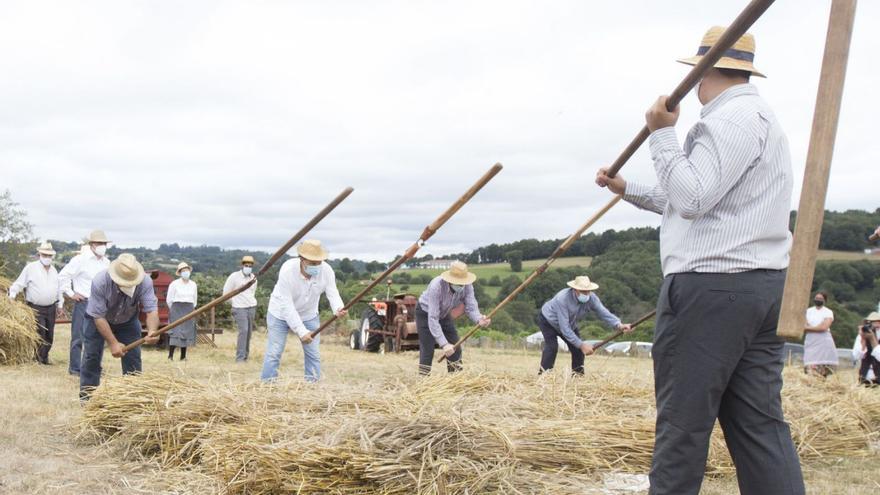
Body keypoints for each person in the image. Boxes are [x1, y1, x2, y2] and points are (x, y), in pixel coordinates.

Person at [595, 27, 804, 494]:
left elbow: (690, 197)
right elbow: (690, 196)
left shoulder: (726, 121)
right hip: (760, 287)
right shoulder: (760, 118)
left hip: (712, 288)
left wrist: (661, 134)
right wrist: (626, 189)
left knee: (683, 426)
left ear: (703, 72)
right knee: (759, 426)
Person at [260, 240, 346, 382]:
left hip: (309, 315)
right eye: (312, 263)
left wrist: (338, 308)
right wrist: (301, 331)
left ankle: (312, 387)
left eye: (319, 262)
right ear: (301, 259)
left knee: (313, 354)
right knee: (274, 352)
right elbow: (286, 305)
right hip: (280, 314)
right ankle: (267, 386)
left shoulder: (327, 271)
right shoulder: (287, 270)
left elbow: (332, 293)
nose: (316, 266)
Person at [80, 254, 159, 400]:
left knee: (133, 358)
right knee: (91, 357)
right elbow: (98, 317)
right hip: (98, 320)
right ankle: (87, 399)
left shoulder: (145, 282)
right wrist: (113, 343)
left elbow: (151, 309)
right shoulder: (101, 281)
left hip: (128, 321)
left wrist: (153, 330)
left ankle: (132, 399)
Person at [537, 275, 632, 375]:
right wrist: (582, 345)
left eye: (588, 291)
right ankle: (544, 376)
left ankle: (578, 377)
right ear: (575, 290)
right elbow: (564, 328)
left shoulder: (592, 298)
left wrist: (619, 325)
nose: (586, 294)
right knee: (552, 347)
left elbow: (603, 312)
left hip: (570, 323)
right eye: (583, 291)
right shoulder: (562, 299)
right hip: (548, 321)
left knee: (578, 350)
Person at [416, 261, 490, 375]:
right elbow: (433, 318)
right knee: (428, 348)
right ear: (450, 280)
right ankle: (423, 381)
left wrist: (479, 319)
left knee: (455, 347)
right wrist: (444, 344)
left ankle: (455, 379)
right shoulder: (436, 286)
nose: (461, 286)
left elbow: (470, 307)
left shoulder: (467, 285)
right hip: (426, 313)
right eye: (458, 283)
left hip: (445, 314)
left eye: (462, 283)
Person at [58, 230, 111, 376]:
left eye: (104, 243)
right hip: (84, 302)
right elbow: (63, 276)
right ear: (92, 245)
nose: (103, 246)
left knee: (98, 337)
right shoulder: (80, 260)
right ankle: (75, 368)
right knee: (79, 337)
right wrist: (71, 293)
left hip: (101, 304)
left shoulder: (107, 263)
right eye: (100, 243)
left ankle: (93, 367)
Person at [8, 242, 62, 364]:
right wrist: (12, 296)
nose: (47, 258)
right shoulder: (30, 268)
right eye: (44, 255)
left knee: (49, 334)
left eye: (49, 255)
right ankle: (38, 358)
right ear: (39, 255)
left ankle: (44, 357)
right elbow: (19, 283)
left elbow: (58, 288)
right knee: (39, 333)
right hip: (35, 307)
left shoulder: (54, 270)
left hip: (51, 306)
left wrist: (60, 304)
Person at [223, 255, 258, 362]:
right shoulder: (234, 276)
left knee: (248, 333)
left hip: (251, 307)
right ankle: (240, 358)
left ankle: (245, 356)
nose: (248, 267)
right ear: (242, 265)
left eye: (250, 266)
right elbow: (226, 293)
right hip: (239, 308)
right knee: (243, 331)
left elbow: (252, 292)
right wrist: (234, 303)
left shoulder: (254, 278)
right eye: (246, 265)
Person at [166, 262, 198, 361]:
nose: (185, 272)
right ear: (179, 273)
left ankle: (183, 356)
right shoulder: (174, 284)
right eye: (183, 271)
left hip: (189, 309)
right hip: (176, 308)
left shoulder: (193, 284)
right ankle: (170, 356)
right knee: (175, 331)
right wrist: (174, 309)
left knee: (186, 332)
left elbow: (195, 300)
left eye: (187, 270)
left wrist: (191, 309)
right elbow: (169, 299)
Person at [803, 291, 837, 377]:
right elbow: (803, 325)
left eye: (820, 299)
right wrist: (817, 328)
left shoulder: (828, 312)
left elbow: (824, 327)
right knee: (809, 364)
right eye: (817, 298)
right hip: (811, 341)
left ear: (824, 300)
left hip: (823, 342)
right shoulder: (808, 311)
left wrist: (810, 328)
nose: (818, 300)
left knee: (823, 365)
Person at [853, 312, 880, 386]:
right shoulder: (862, 335)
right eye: (873, 322)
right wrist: (863, 339)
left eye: (878, 322)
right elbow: (856, 356)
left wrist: (872, 339)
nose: (876, 325)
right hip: (866, 375)